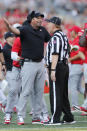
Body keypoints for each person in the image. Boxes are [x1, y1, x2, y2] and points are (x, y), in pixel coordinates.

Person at [4, 10, 51, 125]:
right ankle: (20, 116)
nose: (40, 20)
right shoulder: (25, 29)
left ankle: (36, 116)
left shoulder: (43, 30)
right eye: (38, 18)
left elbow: (50, 41)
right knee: (25, 91)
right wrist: (9, 27)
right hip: (28, 64)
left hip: (40, 63)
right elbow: (15, 31)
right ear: (32, 19)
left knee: (39, 92)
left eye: (41, 18)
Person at [45, 16, 75, 125]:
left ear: (54, 24)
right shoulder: (63, 35)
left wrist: (52, 70)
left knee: (55, 93)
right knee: (62, 93)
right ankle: (68, 116)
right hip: (63, 66)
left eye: (49, 23)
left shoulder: (56, 37)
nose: (47, 25)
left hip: (57, 66)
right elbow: (69, 50)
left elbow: (55, 54)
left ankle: (55, 119)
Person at [68, 26, 84, 112]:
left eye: (72, 31)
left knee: (72, 87)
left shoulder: (77, 40)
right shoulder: (76, 40)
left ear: (75, 32)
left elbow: (79, 54)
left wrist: (70, 59)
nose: (70, 33)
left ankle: (75, 106)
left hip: (77, 65)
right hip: (78, 66)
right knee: (79, 87)